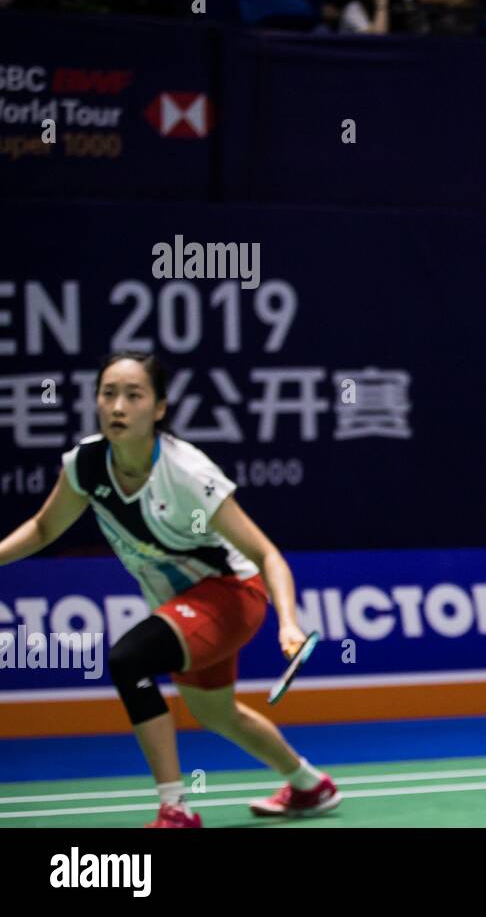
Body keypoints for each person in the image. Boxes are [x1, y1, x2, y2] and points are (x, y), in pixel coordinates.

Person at [0, 352, 341, 827]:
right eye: (108, 393)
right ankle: (309, 785)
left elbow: (268, 555)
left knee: (128, 659)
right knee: (216, 714)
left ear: (159, 408)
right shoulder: (87, 465)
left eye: (133, 395)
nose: (118, 406)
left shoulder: (188, 474)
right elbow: (42, 528)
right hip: (185, 609)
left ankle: (175, 809)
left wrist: (288, 622)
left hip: (232, 595)